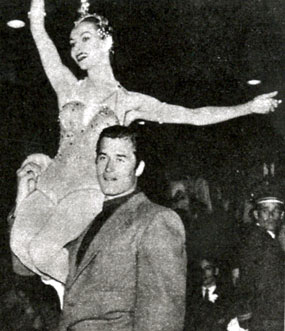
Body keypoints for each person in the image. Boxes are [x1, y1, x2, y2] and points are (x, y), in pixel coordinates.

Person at [10, 0, 282, 288]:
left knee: (41, 249)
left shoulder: (126, 101)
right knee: (19, 244)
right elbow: (38, 32)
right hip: (52, 182)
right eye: (73, 41)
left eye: (86, 38)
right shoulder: (66, 86)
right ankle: (64, 283)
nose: (77, 48)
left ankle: (90, 297)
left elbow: (192, 116)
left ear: (107, 41)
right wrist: (37, 6)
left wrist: (248, 107)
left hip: (86, 189)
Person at [57, 125, 186, 330]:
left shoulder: (156, 220)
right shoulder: (92, 220)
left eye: (120, 158)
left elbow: (162, 317)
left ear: (139, 168)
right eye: (103, 157)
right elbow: (28, 268)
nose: (109, 168)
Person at [237, 183, 285, 331]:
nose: (270, 216)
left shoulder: (271, 239)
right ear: (256, 215)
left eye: (275, 211)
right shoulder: (258, 240)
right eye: (265, 211)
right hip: (267, 316)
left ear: (282, 215)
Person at [185, 256, 235, 331]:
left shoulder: (228, 295)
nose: (203, 273)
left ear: (216, 271)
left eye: (207, 268)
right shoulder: (190, 296)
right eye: (200, 269)